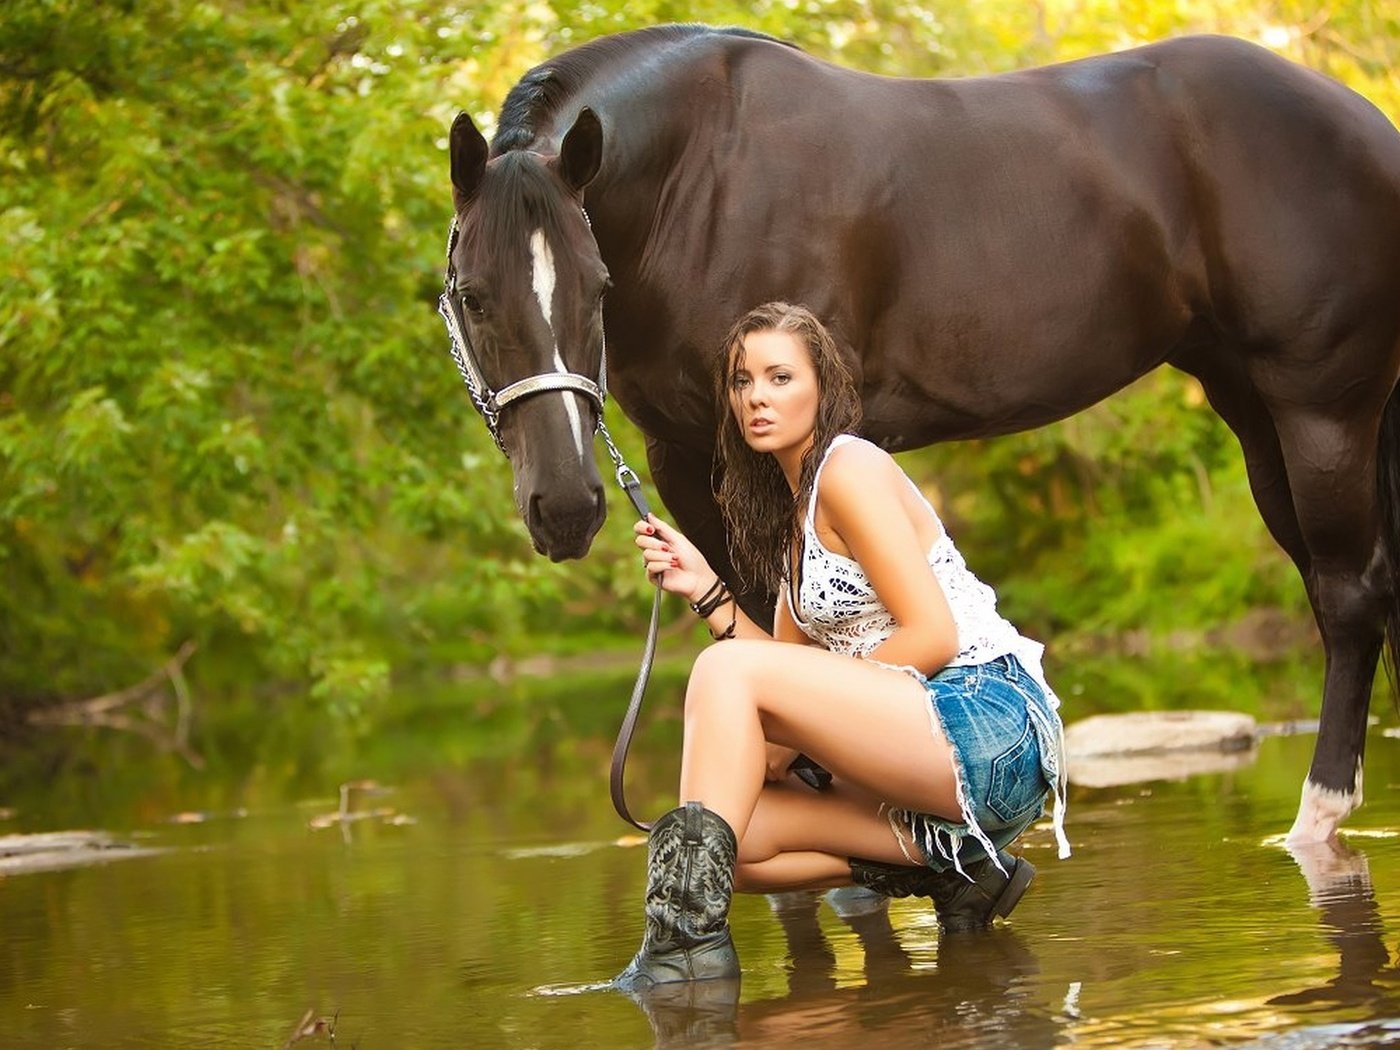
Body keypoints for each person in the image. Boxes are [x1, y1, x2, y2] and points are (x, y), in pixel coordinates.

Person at [613, 302, 1069, 990]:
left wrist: (800, 735)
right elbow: (786, 673)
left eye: (779, 377)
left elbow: (932, 634)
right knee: (729, 847)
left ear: (821, 387)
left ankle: (682, 950)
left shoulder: (849, 468)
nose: (757, 397)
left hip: (987, 718)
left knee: (725, 677)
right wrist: (706, 591)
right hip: (921, 764)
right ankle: (957, 870)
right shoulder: (796, 523)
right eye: (742, 382)